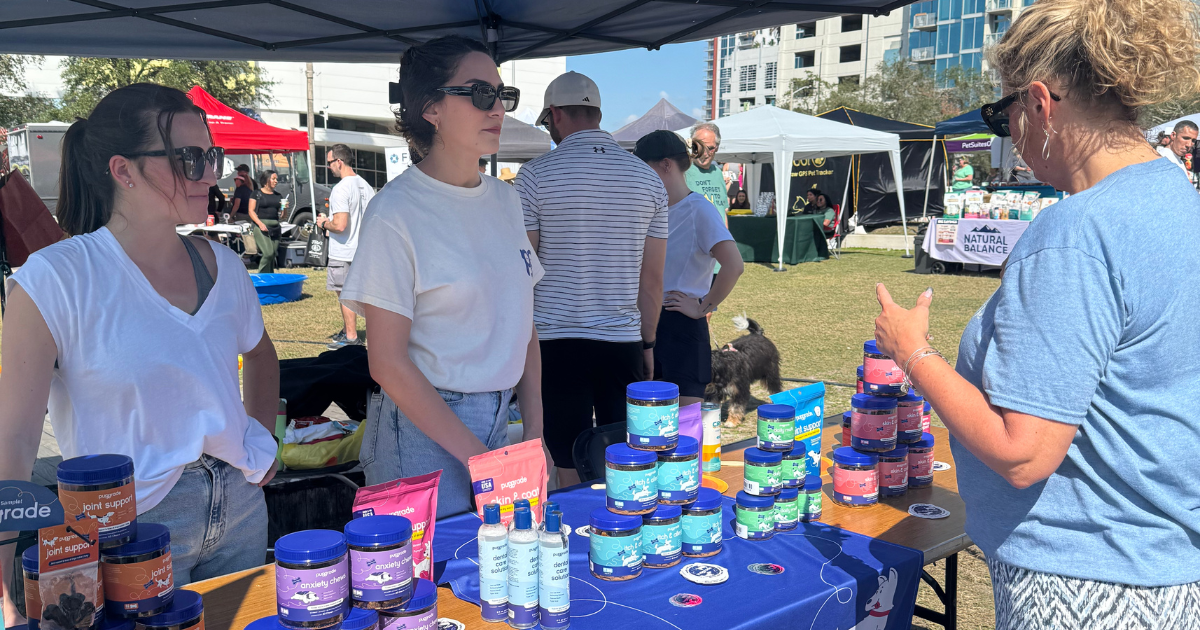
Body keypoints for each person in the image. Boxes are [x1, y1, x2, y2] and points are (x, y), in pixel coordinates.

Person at [873, 0, 1200, 627]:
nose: (1011, 135)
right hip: (1160, 557)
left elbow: (1022, 453)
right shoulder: (1171, 195)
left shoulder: (1074, 234)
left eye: (1003, 114)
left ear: (1042, 104)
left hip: (1083, 576)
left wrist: (912, 350)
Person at [0, 84, 280, 619]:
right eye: (188, 158)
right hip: (124, 526)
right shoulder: (54, 280)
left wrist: (262, 440)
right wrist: (4, 593)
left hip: (240, 503)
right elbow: (13, 440)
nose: (210, 174)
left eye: (211, 156)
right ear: (123, 171)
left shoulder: (224, 266)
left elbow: (261, 354)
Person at [339, 35, 544, 518]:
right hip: (420, 430)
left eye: (502, 94)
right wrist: (483, 459)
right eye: (479, 94)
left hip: (501, 418)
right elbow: (386, 362)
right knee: (429, 586)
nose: (497, 108)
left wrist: (534, 434)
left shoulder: (506, 200)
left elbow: (524, 326)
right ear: (430, 108)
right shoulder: (395, 212)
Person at [515, 71, 668, 488]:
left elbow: (522, 271)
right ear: (598, 114)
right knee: (626, 461)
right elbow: (651, 282)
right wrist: (649, 343)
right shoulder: (647, 180)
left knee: (567, 460)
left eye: (548, 122)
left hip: (553, 340)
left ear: (556, 115)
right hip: (621, 339)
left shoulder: (534, 177)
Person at [634, 131, 743, 406]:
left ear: (666, 165)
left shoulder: (698, 210)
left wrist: (702, 307)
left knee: (683, 432)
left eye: (643, 169)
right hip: (643, 326)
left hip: (680, 327)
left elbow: (733, 265)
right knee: (646, 429)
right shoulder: (649, 210)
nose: (639, 178)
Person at [318, 144, 374, 350]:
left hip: (344, 250)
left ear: (339, 162)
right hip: (363, 249)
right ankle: (350, 331)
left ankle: (351, 338)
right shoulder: (366, 186)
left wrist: (324, 223)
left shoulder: (341, 188)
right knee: (363, 295)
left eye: (330, 164)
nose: (329, 168)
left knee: (344, 294)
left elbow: (340, 225)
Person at [248, 170, 282, 273]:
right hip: (261, 226)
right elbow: (251, 211)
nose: (276, 181)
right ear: (266, 180)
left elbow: (283, 216)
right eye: (273, 179)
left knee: (272, 255)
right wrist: (260, 224)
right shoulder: (257, 193)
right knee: (268, 253)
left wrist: (284, 208)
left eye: (276, 179)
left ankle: (270, 278)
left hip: (275, 227)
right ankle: (261, 276)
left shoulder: (278, 195)